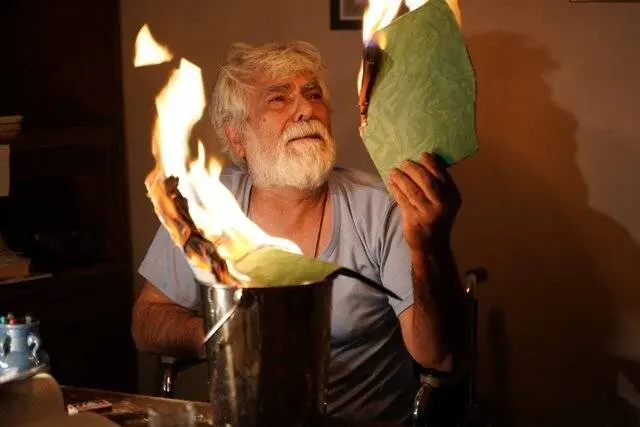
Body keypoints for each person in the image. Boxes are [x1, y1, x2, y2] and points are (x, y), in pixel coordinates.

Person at [132, 41, 467, 423]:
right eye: (278, 99)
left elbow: (441, 356)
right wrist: (223, 335)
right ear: (237, 137)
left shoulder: (381, 209)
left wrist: (429, 245)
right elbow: (146, 322)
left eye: (313, 94)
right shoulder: (207, 205)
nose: (306, 109)